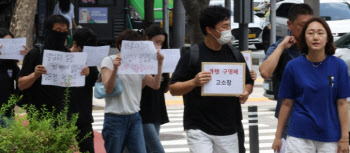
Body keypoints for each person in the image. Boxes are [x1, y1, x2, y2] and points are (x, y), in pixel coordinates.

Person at [169, 5, 254, 153]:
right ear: (209, 30)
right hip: (198, 127)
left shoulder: (234, 54)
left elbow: (248, 82)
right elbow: (173, 88)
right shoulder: (193, 55)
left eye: (229, 26)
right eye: (224, 26)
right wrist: (194, 82)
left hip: (228, 127)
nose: (229, 31)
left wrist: (246, 92)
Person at [272, 17, 350, 153]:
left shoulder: (339, 66)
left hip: (330, 136)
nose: (315, 37)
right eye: (310, 33)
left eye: (320, 33)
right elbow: (286, 104)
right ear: (304, 38)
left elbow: (342, 103)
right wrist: (278, 137)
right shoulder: (293, 66)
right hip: (299, 136)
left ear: (328, 38)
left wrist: (345, 138)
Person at [101, 29, 164, 153]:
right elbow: (108, 89)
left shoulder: (139, 63)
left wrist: (159, 64)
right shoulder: (109, 60)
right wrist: (115, 69)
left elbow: (155, 85)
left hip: (135, 117)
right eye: (130, 46)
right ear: (120, 45)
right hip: (115, 117)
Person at [259, 4, 313, 139]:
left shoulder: (318, 47)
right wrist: (282, 46)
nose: (307, 30)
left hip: (316, 117)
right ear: (290, 25)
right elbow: (265, 72)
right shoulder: (280, 47)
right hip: (290, 119)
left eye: (310, 25)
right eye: (302, 25)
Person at [18, 15, 89, 114]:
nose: (61, 34)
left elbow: (76, 86)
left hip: (62, 113)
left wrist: (83, 73)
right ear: (48, 31)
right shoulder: (36, 53)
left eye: (64, 32)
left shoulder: (69, 55)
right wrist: (34, 75)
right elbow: (21, 85)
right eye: (58, 30)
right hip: (38, 112)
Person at [139, 25, 169, 153]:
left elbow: (165, 88)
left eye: (161, 43)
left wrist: (164, 68)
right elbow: (137, 87)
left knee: (148, 148)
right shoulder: (139, 58)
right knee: (156, 148)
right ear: (147, 39)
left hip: (156, 107)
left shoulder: (161, 59)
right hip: (142, 109)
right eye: (156, 42)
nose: (159, 46)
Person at [69, 27, 99, 153]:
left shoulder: (90, 61)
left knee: (88, 149)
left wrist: (90, 73)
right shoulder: (62, 57)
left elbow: (95, 81)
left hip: (84, 115)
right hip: (63, 114)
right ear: (75, 44)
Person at [0, 28, 28, 126]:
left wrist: (27, 58)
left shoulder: (11, 65)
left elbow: (22, 79)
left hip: (8, 110)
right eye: (6, 43)